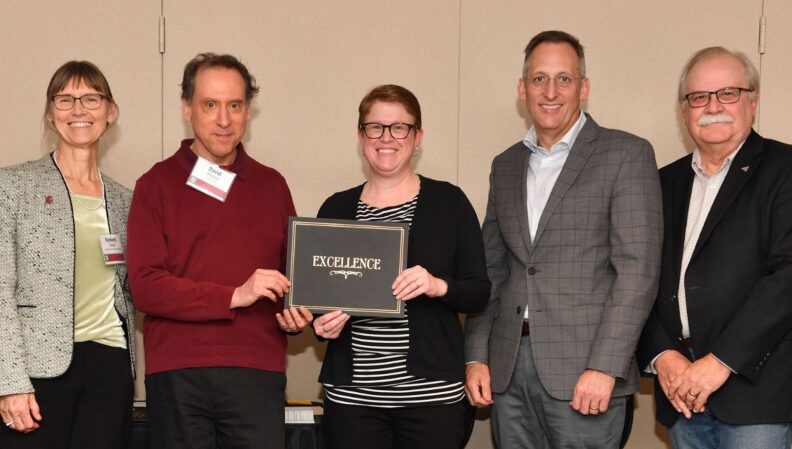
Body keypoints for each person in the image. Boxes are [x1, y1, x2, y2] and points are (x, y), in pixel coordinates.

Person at [463, 30, 663, 448]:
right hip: (508, 369)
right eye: (539, 79)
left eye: (564, 79)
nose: (550, 91)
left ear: (584, 87)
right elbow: (492, 271)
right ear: (522, 89)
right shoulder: (505, 165)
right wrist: (477, 354)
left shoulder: (626, 154)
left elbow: (637, 272)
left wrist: (606, 367)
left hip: (586, 374)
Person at [126, 53, 312, 449]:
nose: (224, 119)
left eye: (235, 105)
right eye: (210, 105)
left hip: (256, 371)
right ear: (187, 108)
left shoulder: (272, 186)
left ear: (248, 112)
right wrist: (233, 295)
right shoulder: (154, 185)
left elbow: (292, 284)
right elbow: (145, 288)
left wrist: (296, 314)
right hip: (178, 373)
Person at [311, 84, 490, 449]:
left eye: (399, 127)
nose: (386, 137)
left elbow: (479, 291)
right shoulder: (336, 209)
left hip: (431, 398)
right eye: (375, 127)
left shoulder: (449, 203)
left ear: (417, 136)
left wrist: (438, 285)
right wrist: (321, 324)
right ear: (361, 135)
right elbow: (319, 297)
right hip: (352, 398)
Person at [637, 47, 792, 449]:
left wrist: (719, 363)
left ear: (753, 102)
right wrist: (663, 357)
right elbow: (637, 277)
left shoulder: (784, 169)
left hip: (756, 393)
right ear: (684, 110)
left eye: (728, 93)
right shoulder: (660, 183)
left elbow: (787, 278)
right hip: (679, 390)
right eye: (699, 97)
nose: (712, 106)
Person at [0, 61, 135, 448]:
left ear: (110, 112)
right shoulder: (12, 186)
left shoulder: (126, 200)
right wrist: (8, 382)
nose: (78, 110)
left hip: (109, 365)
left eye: (91, 99)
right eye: (65, 99)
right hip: (37, 369)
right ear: (49, 112)